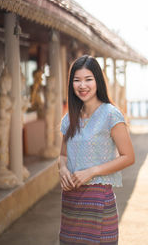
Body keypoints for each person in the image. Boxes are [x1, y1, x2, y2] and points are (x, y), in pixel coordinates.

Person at [58, 55, 135, 244]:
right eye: (77, 80)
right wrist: (62, 169)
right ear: (71, 84)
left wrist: (92, 171)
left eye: (88, 79)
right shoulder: (69, 118)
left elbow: (128, 157)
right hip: (71, 200)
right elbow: (62, 155)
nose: (82, 85)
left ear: (98, 81)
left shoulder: (111, 114)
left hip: (98, 199)